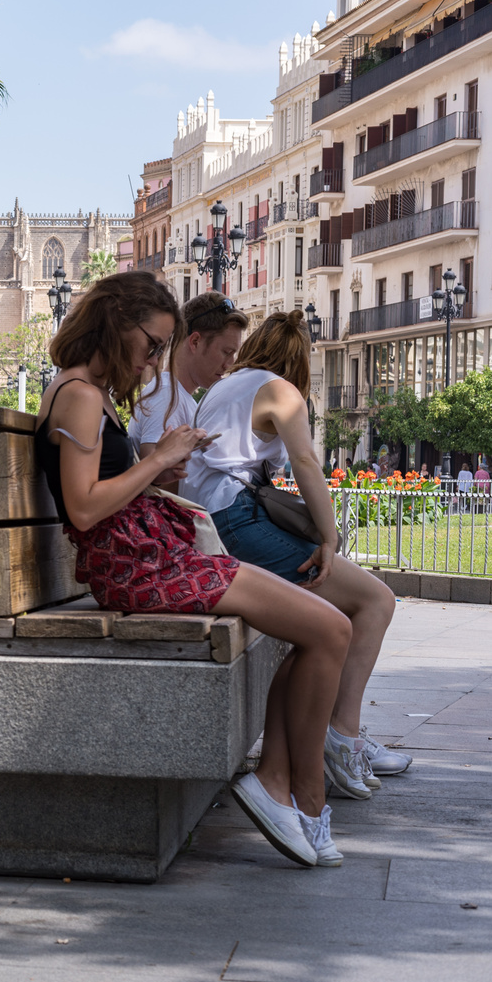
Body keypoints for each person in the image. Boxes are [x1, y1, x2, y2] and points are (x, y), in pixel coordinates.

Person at [36, 271, 351, 868]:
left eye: (161, 347)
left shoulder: (84, 389)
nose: (155, 360)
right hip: (136, 564)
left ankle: (282, 785)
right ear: (115, 324)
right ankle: (301, 796)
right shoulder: (78, 393)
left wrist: (156, 465)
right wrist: (158, 459)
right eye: (151, 344)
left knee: (320, 630)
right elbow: (83, 507)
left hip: (152, 552)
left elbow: (98, 491)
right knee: (331, 629)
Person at [191, 310, 403, 798]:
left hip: (216, 522)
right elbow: (307, 462)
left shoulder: (228, 387)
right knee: (374, 601)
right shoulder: (281, 391)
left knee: (335, 613)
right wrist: (330, 540)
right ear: (298, 362)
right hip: (236, 522)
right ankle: (341, 736)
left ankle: (332, 734)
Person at [130, 292, 246, 486]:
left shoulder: (177, 397)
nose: (230, 364)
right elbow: (157, 483)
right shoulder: (167, 397)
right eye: (226, 352)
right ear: (195, 342)